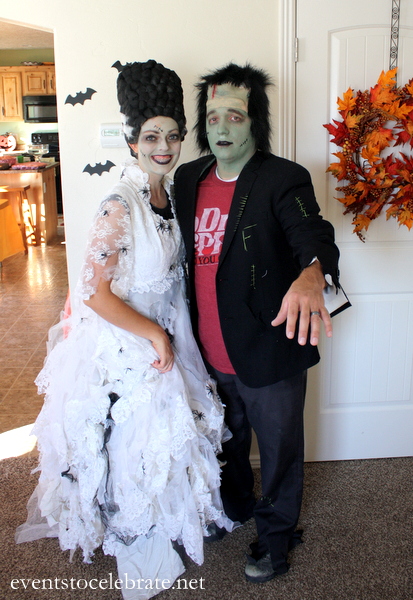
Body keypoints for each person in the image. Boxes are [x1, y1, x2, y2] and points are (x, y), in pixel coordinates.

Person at [15, 60, 233, 599]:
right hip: (126, 341)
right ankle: (135, 536)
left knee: (168, 438)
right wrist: (153, 335)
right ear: (133, 140)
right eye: (152, 136)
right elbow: (92, 291)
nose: (164, 145)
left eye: (173, 135)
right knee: (135, 443)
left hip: (165, 335)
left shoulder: (168, 195)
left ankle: (163, 519)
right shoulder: (120, 203)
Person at [174, 62, 341, 583]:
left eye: (236, 117)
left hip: (270, 348)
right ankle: (235, 507)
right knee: (225, 440)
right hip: (207, 349)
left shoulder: (282, 177)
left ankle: (275, 536)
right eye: (214, 116)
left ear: (255, 123)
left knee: (279, 451)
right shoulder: (187, 178)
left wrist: (314, 272)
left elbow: (312, 233)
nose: (222, 127)